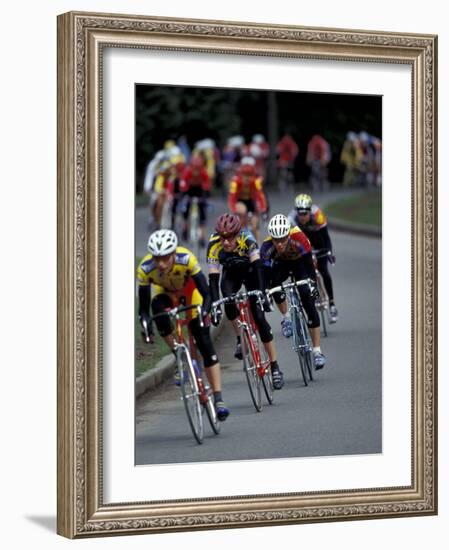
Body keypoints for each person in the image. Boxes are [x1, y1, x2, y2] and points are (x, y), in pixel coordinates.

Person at [137, 229, 230, 420]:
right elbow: (144, 310)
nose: (161, 263)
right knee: (158, 314)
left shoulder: (186, 259)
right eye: (157, 258)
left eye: (165, 258)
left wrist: (205, 311)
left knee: (204, 341)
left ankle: (218, 398)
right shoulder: (145, 268)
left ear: (173, 254)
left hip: (190, 293)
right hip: (164, 294)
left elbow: (206, 293)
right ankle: (179, 354)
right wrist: (146, 326)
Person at [207, 214, 284, 389]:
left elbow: (259, 268)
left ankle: (275, 366)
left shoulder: (247, 239)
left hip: (251, 273)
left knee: (259, 317)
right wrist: (214, 306)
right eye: (222, 237)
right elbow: (213, 279)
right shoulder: (213, 244)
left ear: (237, 233)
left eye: (230, 237)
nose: (225, 242)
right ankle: (240, 339)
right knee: (227, 300)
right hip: (231, 274)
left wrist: (262, 293)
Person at [261, 214, 326, 370]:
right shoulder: (266, 247)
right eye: (276, 240)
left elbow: (310, 269)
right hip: (281, 266)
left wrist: (313, 290)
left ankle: (317, 351)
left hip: (301, 265)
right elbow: (265, 274)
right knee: (274, 285)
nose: (280, 244)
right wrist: (266, 293)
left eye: (283, 239)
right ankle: (286, 318)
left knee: (308, 300)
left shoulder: (299, 237)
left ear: (288, 234)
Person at [288, 194, 338, 323]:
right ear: (296, 211)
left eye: (305, 213)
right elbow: (292, 242)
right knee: (307, 273)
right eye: (300, 213)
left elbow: (326, 237)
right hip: (303, 242)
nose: (302, 216)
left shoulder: (318, 215)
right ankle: (314, 296)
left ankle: (332, 304)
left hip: (318, 240)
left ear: (310, 211)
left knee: (323, 270)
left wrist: (329, 253)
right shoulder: (292, 219)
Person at [227, 160, 269, 243]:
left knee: (254, 225)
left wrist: (263, 210)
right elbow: (232, 198)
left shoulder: (256, 181)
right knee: (242, 210)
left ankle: (258, 245)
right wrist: (234, 211)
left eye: (249, 176)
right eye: (245, 176)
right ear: (241, 175)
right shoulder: (235, 182)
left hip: (251, 201)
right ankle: (240, 235)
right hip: (240, 201)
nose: (247, 178)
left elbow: (261, 196)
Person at [180, 155, 211, 247]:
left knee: (203, 212)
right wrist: (184, 191)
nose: (196, 171)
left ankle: (202, 236)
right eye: (195, 169)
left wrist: (206, 193)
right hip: (189, 190)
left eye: (198, 169)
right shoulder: (187, 171)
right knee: (185, 208)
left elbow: (207, 183)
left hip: (200, 191)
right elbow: (183, 182)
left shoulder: (203, 172)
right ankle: (185, 227)